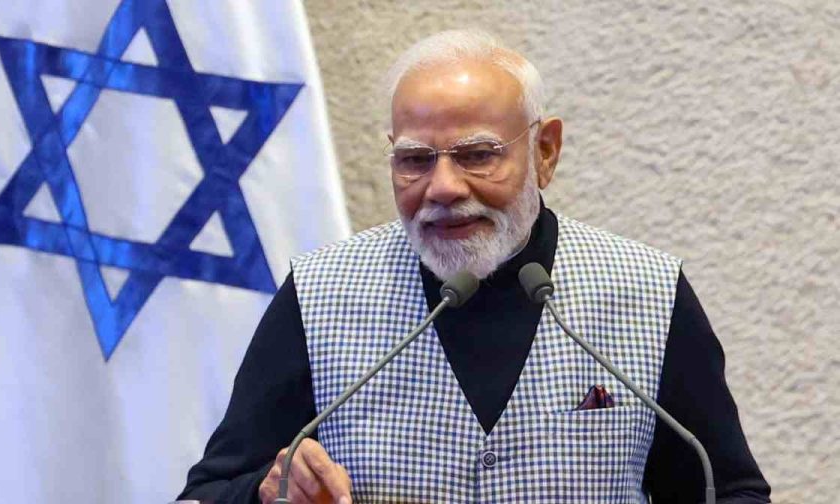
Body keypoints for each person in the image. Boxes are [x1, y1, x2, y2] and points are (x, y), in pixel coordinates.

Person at [177, 30, 771, 503]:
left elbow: (727, 488)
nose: (442, 187)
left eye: (478, 155)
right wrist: (266, 491)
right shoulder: (320, 291)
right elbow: (208, 491)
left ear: (544, 151)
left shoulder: (646, 291)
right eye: (413, 159)